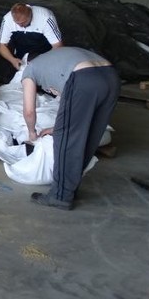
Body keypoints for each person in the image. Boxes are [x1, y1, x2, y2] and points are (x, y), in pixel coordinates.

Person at [21, 46, 120, 210]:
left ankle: (60, 196)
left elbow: (29, 111)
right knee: (89, 134)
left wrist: (32, 133)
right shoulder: (57, 58)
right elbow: (72, 110)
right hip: (111, 77)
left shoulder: (30, 69)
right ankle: (69, 188)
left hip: (84, 78)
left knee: (66, 139)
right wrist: (57, 126)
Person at [0, 3, 63, 72]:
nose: (20, 26)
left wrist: (45, 62)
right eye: (17, 23)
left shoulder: (45, 18)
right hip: (21, 55)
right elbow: (2, 45)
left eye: (23, 22)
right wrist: (12, 60)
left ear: (30, 16)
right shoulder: (7, 19)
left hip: (44, 53)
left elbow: (57, 45)